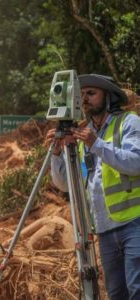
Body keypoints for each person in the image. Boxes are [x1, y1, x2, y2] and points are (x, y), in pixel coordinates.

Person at [46, 74, 140, 300]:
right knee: (117, 293)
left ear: (108, 97)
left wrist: (95, 143)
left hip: (134, 223)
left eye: (91, 93)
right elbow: (65, 185)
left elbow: (135, 163)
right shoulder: (83, 134)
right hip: (104, 229)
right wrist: (57, 153)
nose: (85, 99)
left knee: (137, 289)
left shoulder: (129, 122)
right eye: (82, 95)